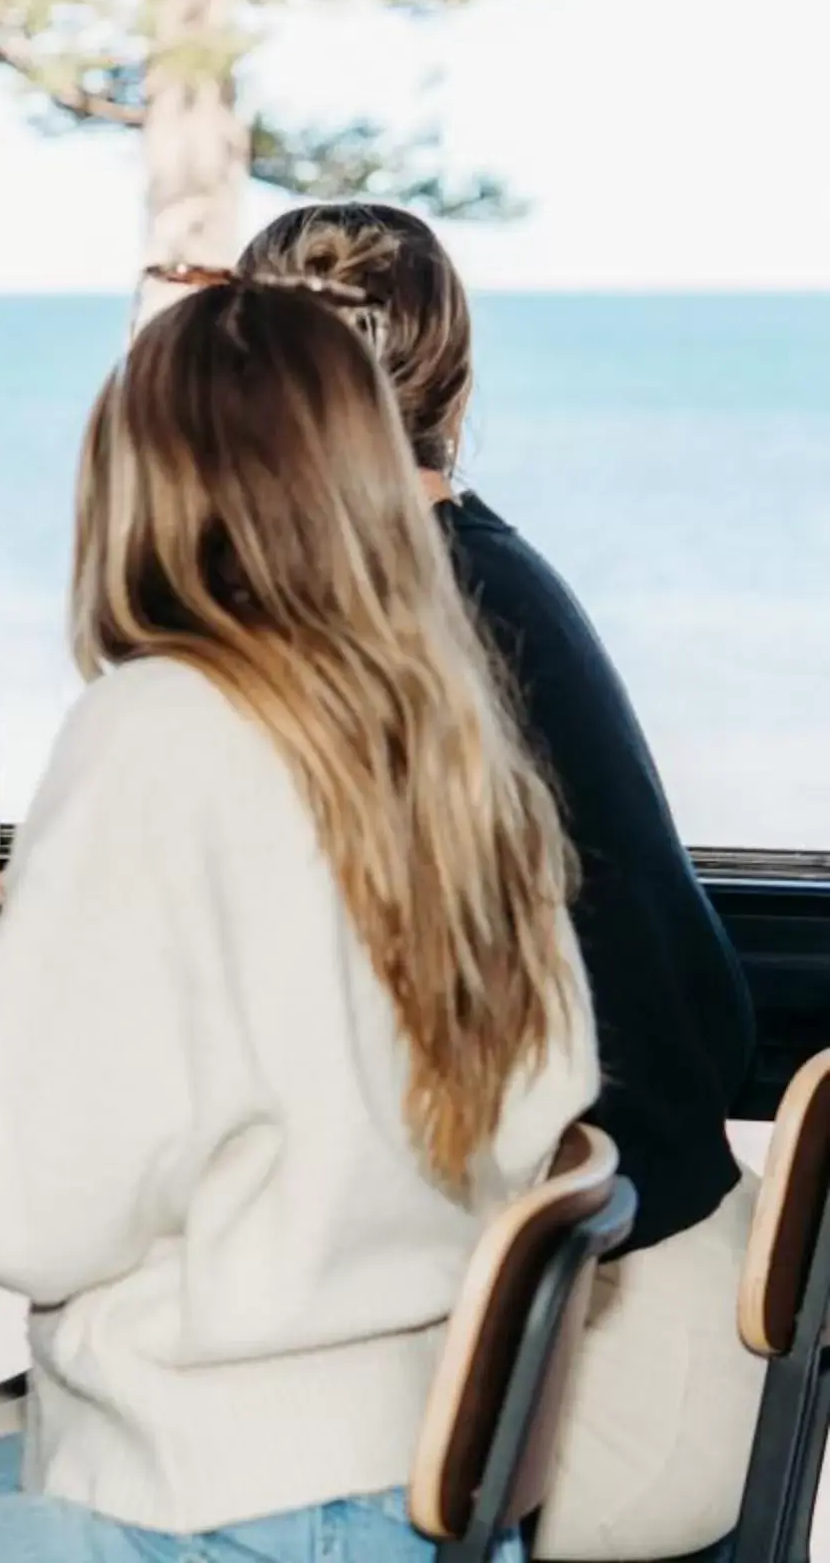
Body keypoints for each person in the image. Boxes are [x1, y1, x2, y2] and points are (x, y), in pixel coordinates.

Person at [0, 274, 598, 1561]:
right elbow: (542, 1093)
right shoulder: (448, 736)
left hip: (210, 1517)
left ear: (134, 493)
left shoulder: (159, 729)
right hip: (410, 1492)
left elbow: (13, 1214)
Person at [240, 201, 760, 1559]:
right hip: (665, 1311)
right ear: (456, 390)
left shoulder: (396, 640)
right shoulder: (490, 575)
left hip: (589, 1389)